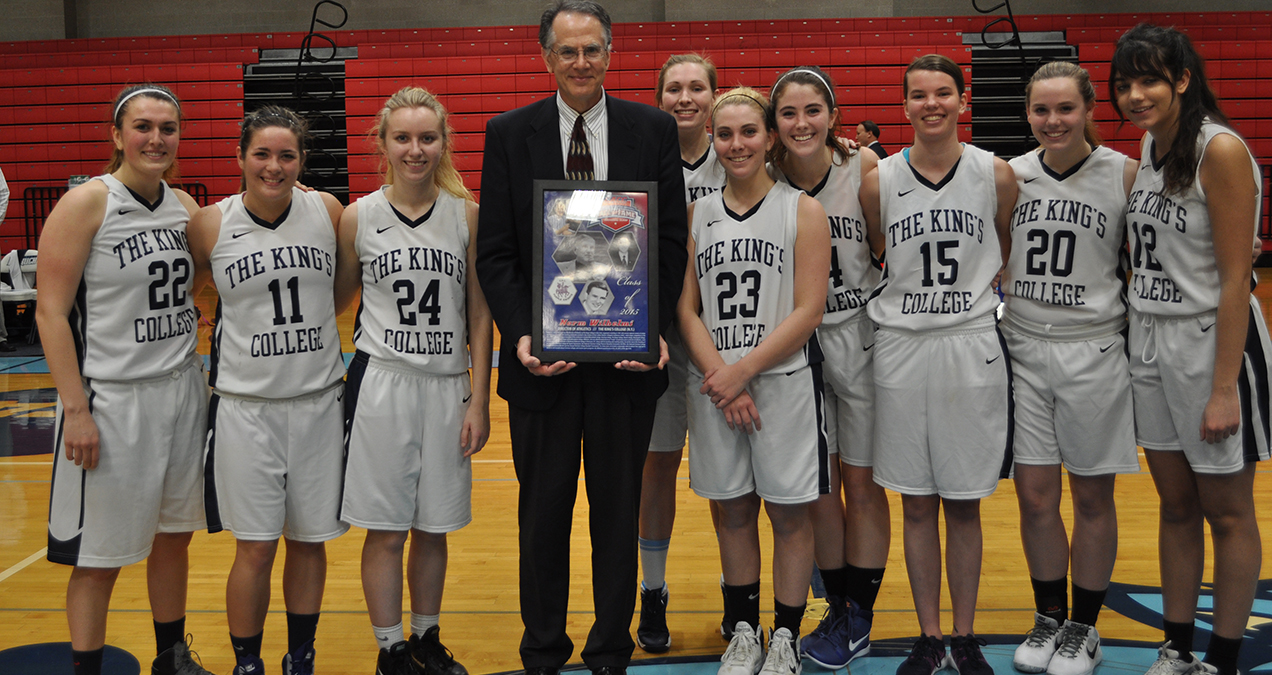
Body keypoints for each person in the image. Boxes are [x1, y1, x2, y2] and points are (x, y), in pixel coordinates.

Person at [474, 1, 688, 674]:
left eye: (592, 49)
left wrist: (647, 326)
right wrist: (523, 334)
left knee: (615, 514)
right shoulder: (510, 132)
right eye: (567, 51)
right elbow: (498, 253)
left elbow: (671, 242)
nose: (580, 62)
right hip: (544, 362)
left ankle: (608, 650)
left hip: (626, 360)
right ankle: (542, 651)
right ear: (547, 57)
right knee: (542, 517)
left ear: (609, 51)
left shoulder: (651, 128)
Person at [38, 84, 212, 675]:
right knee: (99, 557)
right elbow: (50, 312)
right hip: (110, 402)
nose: (156, 138)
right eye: (143, 126)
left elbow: (195, 284)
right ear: (117, 136)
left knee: (173, 536)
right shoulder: (88, 203)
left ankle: (171, 657)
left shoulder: (185, 207)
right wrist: (77, 410)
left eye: (168, 128)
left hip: (181, 390)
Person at [1110, 24, 1267, 675]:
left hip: (1211, 348)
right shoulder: (1150, 146)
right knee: (1176, 505)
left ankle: (1222, 657)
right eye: (1125, 83)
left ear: (1181, 79)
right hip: (1150, 342)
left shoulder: (1219, 150)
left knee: (1227, 511)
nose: (1136, 94)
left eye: (1149, 79)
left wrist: (1225, 386)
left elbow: (1237, 278)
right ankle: (1175, 648)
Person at [860, 54, 1017, 675]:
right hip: (901, 345)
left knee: (965, 501)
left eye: (943, 93)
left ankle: (965, 633)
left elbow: (1002, 241)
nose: (931, 104)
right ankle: (929, 636)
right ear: (904, 106)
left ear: (962, 101)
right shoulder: (879, 180)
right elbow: (877, 247)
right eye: (919, 95)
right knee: (917, 503)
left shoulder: (995, 174)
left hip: (970, 341)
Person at [332, 86, 492, 675]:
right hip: (382, 383)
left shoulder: (466, 214)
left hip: (447, 384)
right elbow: (338, 298)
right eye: (403, 137)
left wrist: (478, 396)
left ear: (444, 142)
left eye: (428, 137)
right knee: (386, 527)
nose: (415, 149)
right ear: (383, 143)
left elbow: (479, 309)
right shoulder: (359, 215)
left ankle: (426, 637)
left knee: (435, 524)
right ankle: (390, 647)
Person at [188, 105, 347, 675]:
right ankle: (247, 663)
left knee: (309, 541)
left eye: (286, 155)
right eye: (262, 154)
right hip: (244, 409)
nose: (273, 166)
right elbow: (185, 290)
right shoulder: (210, 223)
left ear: (302, 161)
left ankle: (299, 657)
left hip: (317, 402)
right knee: (254, 547)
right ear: (240, 158)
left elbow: (343, 291)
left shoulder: (327, 211)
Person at [679, 85, 831, 675]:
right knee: (733, 511)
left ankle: (786, 637)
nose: (736, 144)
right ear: (712, 142)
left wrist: (741, 372)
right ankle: (744, 630)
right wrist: (722, 375)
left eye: (749, 132)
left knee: (790, 515)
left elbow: (807, 310)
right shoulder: (700, 213)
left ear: (770, 137)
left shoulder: (802, 209)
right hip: (717, 387)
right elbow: (685, 309)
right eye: (725, 134)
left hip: (782, 383)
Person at [1002, 61, 1139, 675]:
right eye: (1040, 110)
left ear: (1089, 110)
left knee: (1090, 494)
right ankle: (1049, 615)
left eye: (1065, 109)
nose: (1052, 121)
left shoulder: (1126, 175)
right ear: (1027, 113)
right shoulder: (1009, 177)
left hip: (1096, 349)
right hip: (1024, 346)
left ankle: (1085, 626)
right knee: (1034, 497)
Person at [768, 65, 889, 670]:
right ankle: (838, 604)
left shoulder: (864, 171)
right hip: (795, 346)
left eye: (813, 110)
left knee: (861, 485)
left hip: (857, 339)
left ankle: (859, 614)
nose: (801, 123)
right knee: (818, 489)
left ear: (833, 116)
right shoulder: (764, 179)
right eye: (788, 113)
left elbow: (889, 251)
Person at [637, 51, 726, 652]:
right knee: (658, 466)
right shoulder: (642, 153)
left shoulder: (745, 151)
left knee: (729, 478)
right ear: (660, 96)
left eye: (697, 87)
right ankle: (653, 591)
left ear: (716, 96)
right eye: (674, 88)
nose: (685, 98)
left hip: (728, 340)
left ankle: (737, 593)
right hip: (660, 337)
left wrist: (851, 145)